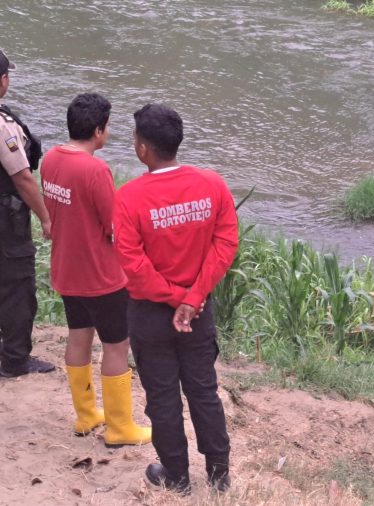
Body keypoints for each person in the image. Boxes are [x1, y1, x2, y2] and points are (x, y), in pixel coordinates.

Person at [113, 104, 238, 494]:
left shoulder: (129, 198)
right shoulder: (212, 184)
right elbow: (226, 241)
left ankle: (177, 477)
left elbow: (133, 266)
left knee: (163, 395)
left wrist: (175, 298)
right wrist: (194, 297)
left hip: (151, 315)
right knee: (203, 389)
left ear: (143, 149)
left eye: (135, 138)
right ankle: (219, 475)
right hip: (198, 313)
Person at [39, 93, 151, 446]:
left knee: (78, 337)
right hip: (102, 275)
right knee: (117, 346)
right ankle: (120, 428)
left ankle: (86, 416)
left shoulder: (51, 158)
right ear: (99, 130)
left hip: (66, 268)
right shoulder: (96, 170)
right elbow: (112, 225)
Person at [0, 50, 55, 378]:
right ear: (2, 80)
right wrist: (46, 217)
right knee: (18, 288)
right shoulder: (3, 127)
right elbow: (22, 177)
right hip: (7, 224)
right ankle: (16, 360)